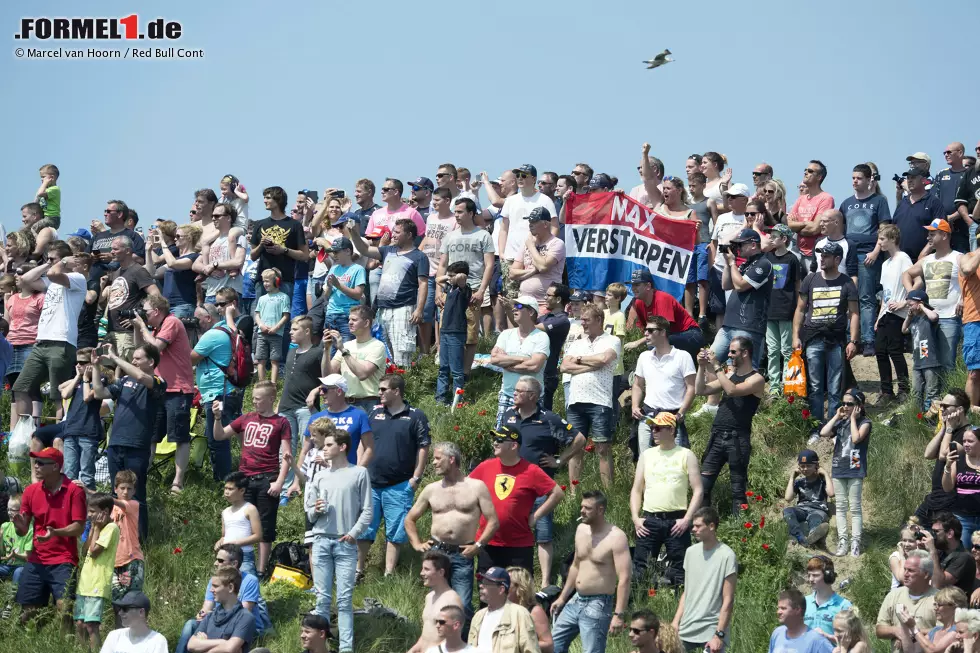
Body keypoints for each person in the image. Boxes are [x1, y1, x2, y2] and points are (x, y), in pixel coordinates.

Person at [498, 376, 584, 587]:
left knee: (543, 535)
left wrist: (560, 460)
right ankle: (511, 577)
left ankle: (545, 582)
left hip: (540, 488)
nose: (514, 393)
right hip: (510, 485)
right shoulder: (508, 415)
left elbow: (579, 439)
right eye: (515, 390)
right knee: (509, 531)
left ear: (533, 396)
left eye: (520, 391)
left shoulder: (548, 419)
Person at [405, 441, 499, 622]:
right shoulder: (431, 489)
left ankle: (462, 646)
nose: (433, 463)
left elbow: (493, 521)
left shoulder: (476, 487)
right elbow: (410, 519)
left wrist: (479, 545)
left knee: (462, 604)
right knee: (437, 601)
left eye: (438, 458)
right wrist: (417, 543)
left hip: (463, 554)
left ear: (452, 459)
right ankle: (437, 643)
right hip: (436, 552)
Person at [306, 428, 372, 653]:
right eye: (324, 445)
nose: (324, 449)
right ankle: (319, 647)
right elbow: (309, 512)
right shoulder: (320, 476)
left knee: (344, 599)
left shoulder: (359, 473)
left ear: (342, 447)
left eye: (328, 445)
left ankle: (345, 649)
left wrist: (353, 533)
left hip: (345, 542)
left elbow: (367, 510)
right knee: (321, 599)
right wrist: (315, 510)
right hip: (321, 540)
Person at [91, 344, 167, 540]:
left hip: (137, 445)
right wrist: (96, 367)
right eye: (132, 358)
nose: (133, 362)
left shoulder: (158, 381)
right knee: (115, 493)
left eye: (137, 358)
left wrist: (115, 358)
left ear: (151, 362)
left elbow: (142, 377)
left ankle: (139, 541)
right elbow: (100, 393)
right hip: (116, 443)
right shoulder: (124, 380)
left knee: (137, 494)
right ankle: (115, 537)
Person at [216, 381, 291, 576]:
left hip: (268, 478)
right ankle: (237, 563)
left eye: (258, 399)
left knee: (266, 526)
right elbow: (220, 435)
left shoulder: (281, 422)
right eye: (253, 398)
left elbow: (286, 455)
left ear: (270, 399)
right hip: (245, 478)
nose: (254, 402)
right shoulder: (246, 418)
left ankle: (261, 569)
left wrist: (280, 482)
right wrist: (217, 418)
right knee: (243, 520)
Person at [11, 240, 87, 429]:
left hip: (61, 342)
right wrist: (47, 263)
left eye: (53, 258)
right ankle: (26, 432)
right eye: (48, 258)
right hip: (41, 342)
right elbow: (27, 280)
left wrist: (59, 264)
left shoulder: (77, 278)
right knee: (20, 387)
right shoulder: (50, 280)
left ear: (64, 260)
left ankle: (59, 435)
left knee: (57, 394)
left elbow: (54, 274)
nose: (49, 262)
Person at [469, 425, 563, 576]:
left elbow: (557, 493)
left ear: (513, 445)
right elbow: (466, 488)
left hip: (519, 545)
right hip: (487, 542)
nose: (495, 443)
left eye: (499, 439)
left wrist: (536, 516)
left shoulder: (531, 470)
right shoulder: (485, 466)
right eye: (494, 439)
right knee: (487, 594)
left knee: (520, 595)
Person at [361, 373, 430, 576]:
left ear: (397, 391)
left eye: (383, 389)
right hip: (371, 483)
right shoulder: (374, 413)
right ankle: (358, 570)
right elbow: (363, 443)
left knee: (396, 533)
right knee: (364, 530)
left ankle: (388, 574)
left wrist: (416, 478)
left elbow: (423, 447)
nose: (379, 393)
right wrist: (358, 469)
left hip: (399, 484)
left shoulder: (416, 415)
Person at [549, 491, 631, 653]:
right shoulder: (581, 530)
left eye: (587, 508)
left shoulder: (616, 537)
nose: (582, 511)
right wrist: (562, 597)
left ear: (600, 510)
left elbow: (625, 578)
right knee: (553, 646)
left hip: (598, 604)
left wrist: (619, 614)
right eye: (582, 506)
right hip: (575, 600)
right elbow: (576, 565)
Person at [13, 447, 86, 622]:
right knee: (28, 612)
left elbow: (79, 527)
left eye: (40, 463)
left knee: (65, 609)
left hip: (64, 558)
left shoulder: (74, 491)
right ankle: (33, 643)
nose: (36, 466)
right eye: (35, 462)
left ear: (55, 466)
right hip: (36, 558)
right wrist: (19, 526)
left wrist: (55, 533)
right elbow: (22, 530)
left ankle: (64, 646)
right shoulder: (31, 491)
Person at [694, 337, 766, 516]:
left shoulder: (757, 379)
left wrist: (716, 366)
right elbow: (700, 391)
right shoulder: (728, 376)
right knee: (702, 487)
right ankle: (703, 528)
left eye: (733, 351)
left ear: (745, 353)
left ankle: (740, 532)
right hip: (717, 436)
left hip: (737, 439)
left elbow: (732, 390)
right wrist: (702, 366)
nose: (729, 354)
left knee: (738, 491)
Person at [630, 412, 703, 586]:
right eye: (652, 428)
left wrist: (687, 519)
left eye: (657, 428)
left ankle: (681, 608)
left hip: (677, 520)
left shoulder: (686, 455)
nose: (653, 431)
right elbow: (636, 490)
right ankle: (637, 606)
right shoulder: (646, 455)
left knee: (680, 571)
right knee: (641, 569)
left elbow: (698, 490)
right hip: (650, 519)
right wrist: (635, 518)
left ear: (671, 430)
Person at [793, 241, 859, 431]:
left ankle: (833, 425)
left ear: (837, 259)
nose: (822, 258)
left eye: (827, 256)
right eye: (821, 255)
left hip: (836, 340)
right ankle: (815, 426)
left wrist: (853, 341)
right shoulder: (810, 279)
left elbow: (854, 313)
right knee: (814, 387)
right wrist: (795, 337)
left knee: (835, 386)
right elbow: (799, 309)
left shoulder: (847, 282)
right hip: (813, 338)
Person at [346, 218, 428, 367]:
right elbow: (364, 250)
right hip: (382, 309)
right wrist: (353, 233)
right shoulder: (387, 250)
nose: (393, 235)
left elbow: (423, 284)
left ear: (409, 235)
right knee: (385, 353)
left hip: (403, 309)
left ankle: (405, 386)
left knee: (402, 353)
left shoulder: (419, 256)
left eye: (397, 232)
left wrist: (419, 309)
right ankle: (389, 386)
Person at [134, 294, 195, 493]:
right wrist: (137, 327)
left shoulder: (172, 322)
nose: (144, 315)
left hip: (177, 389)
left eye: (146, 312)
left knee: (180, 437)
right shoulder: (157, 328)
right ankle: (142, 476)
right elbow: (141, 351)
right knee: (151, 436)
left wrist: (143, 327)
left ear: (157, 311)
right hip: (159, 388)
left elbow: (155, 347)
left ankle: (178, 481)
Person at [561, 305, 621, 488]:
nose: (583, 323)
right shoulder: (576, 343)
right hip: (575, 401)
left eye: (586, 319)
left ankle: (608, 492)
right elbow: (564, 367)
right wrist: (590, 364)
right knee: (575, 448)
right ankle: (573, 493)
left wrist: (578, 360)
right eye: (582, 319)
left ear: (599, 320)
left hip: (600, 401)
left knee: (603, 448)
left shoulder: (612, 340)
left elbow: (604, 360)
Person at [437, 197, 495, 374]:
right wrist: (439, 291)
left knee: (470, 336)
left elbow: (489, 265)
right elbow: (442, 265)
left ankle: (465, 373)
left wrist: (482, 291)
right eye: (455, 212)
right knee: (446, 333)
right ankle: (445, 371)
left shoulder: (483, 235)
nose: (457, 215)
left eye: (460, 211)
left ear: (471, 213)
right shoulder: (450, 237)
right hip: (450, 291)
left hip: (473, 290)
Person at [176, 543, 270, 653]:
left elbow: (245, 610)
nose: (216, 563)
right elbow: (206, 608)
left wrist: (205, 643)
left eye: (220, 560)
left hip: (242, 626)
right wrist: (202, 614)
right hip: (218, 618)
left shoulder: (250, 580)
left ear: (234, 563)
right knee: (191, 625)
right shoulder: (214, 581)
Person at [250, 185, 310, 357]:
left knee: (282, 321)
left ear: (278, 200)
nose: (265, 201)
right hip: (262, 280)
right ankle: (260, 362)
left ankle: (281, 362)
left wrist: (283, 250)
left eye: (268, 197)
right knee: (259, 320)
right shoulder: (260, 224)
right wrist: (262, 244)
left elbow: (304, 255)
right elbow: (253, 256)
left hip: (286, 280)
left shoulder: (294, 225)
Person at [839, 164, 893, 354]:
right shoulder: (845, 203)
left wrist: (877, 251)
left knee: (866, 298)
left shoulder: (879, 201)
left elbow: (884, 228)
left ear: (870, 179)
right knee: (847, 297)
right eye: (853, 178)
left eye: (859, 178)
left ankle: (868, 340)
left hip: (868, 254)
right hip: (848, 255)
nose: (855, 181)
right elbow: (841, 230)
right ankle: (849, 338)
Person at [903, 218, 963, 384]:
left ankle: (949, 402)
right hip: (925, 320)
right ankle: (929, 403)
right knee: (926, 362)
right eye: (928, 233)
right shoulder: (926, 260)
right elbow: (906, 274)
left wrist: (963, 299)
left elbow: (970, 281)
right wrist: (912, 295)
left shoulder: (958, 258)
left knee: (947, 363)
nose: (928, 237)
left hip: (949, 318)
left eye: (932, 233)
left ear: (944, 235)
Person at [672, 507, 737, 653]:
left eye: (698, 526)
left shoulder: (727, 555)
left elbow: (728, 599)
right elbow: (687, 592)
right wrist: (676, 622)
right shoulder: (690, 552)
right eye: (692, 526)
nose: (693, 529)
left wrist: (719, 635)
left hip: (712, 628)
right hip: (687, 626)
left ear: (712, 526)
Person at [712, 228, 773, 371]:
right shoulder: (746, 264)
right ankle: (718, 393)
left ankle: (740, 393)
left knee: (744, 370)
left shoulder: (764, 264)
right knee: (711, 361)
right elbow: (726, 285)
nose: (737, 248)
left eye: (740, 245)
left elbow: (740, 285)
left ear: (753, 245)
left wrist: (733, 264)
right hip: (728, 325)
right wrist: (728, 263)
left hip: (748, 327)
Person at [632, 316, 696, 452]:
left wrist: (681, 413)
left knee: (675, 464)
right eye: (645, 330)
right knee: (646, 463)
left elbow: (691, 387)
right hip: (648, 416)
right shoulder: (644, 356)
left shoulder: (682, 356)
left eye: (650, 330)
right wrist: (634, 406)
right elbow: (637, 385)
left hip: (672, 417)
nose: (645, 334)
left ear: (663, 332)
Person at [819, 389, 871, 557]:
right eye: (844, 403)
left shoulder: (865, 422)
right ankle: (843, 541)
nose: (846, 406)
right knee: (840, 507)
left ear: (859, 406)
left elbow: (856, 439)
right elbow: (824, 432)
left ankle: (855, 541)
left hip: (855, 467)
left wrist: (854, 419)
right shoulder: (841, 422)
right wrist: (836, 417)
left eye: (850, 404)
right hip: (838, 467)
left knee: (854, 507)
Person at [277, 315, 324, 499]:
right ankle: (285, 489)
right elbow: (288, 380)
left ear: (306, 331)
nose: (290, 332)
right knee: (286, 450)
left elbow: (328, 379)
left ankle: (305, 484)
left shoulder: (318, 352)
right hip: (286, 406)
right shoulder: (290, 352)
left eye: (294, 329)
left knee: (309, 448)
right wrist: (279, 403)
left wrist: (316, 390)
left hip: (306, 408)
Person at [498, 164, 558, 303]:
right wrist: (502, 253)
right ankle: (516, 327)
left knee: (534, 300)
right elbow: (504, 229)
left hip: (535, 258)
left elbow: (554, 227)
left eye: (524, 175)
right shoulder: (510, 201)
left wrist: (547, 251)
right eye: (517, 175)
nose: (520, 178)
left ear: (534, 179)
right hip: (512, 257)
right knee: (511, 301)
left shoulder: (545, 200)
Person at [490, 295, 550, 427]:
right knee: (502, 438)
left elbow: (534, 366)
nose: (513, 309)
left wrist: (507, 363)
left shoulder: (541, 337)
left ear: (531, 312)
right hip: (507, 395)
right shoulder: (506, 334)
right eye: (513, 306)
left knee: (530, 438)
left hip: (532, 397)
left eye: (518, 306)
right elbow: (494, 359)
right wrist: (521, 359)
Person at [625, 268, 704, 363]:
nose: (633, 288)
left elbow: (663, 330)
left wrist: (637, 343)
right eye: (632, 285)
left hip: (691, 334)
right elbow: (646, 329)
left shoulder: (662, 299)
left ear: (648, 286)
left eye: (637, 285)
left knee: (656, 342)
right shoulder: (638, 303)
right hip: (672, 336)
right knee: (654, 342)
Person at [103, 236, 160, 366]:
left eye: (115, 249)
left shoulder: (138, 270)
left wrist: (139, 318)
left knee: (132, 371)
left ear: (128, 250)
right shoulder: (117, 272)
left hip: (127, 334)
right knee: (110, 374)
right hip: (112, 330)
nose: (111, 252)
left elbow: (155, 295)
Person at [74, 493, 120, 653]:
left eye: (93, 511)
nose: (89, 515)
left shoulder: (111, 528)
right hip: (85, 583)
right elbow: (85, 550)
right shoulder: (96, 527)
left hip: (97, 583)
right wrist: (94, 528)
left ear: (105, 512)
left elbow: (94, 551)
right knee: (80, 623)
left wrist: (97, 528)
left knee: (91, 625)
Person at [300, 373, 374, 470]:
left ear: (339, 391)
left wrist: (358, 472)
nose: (321, 393)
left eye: (325, 390)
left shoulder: (359, 415)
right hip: (320, 477)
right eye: (320, 389)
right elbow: (305, 451)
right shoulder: (315, 418)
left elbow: (369, 448)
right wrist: (296, 482)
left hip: (347, 475)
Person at [874, 224, 913, 403]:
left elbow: (914, 281)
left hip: (899, 313)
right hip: (886, 313)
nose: (879, 242)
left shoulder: (903, 258)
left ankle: (904, 390)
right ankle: (886, 391)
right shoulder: (885, 263)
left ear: (892, 239)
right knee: (880, 351)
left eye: (882, 239)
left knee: (895, 351)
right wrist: (878, 315)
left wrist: (904, 302)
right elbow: (885, 292)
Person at [325, 305, 387, 414]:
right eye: (349, 319)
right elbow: (328, 375)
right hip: (345, 403)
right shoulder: (346, 345)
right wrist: (326, 349)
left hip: (368, 403)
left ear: (366, 323)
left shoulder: (377, 346)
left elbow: (362, 374)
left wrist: (343, 350)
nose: (349, 322)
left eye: (354, 320)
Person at [58, 347, 104, 489]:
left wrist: (85, 379)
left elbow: (86, 397)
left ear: (92, 363)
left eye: (82, 362)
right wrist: (78, 377)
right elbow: (63, 392)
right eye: (76, 362)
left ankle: (89, 507)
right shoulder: (77, 381)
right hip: (71, 430)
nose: (78, 365)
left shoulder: (100, 380)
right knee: (69, 474)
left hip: (88, 432)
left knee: (86, 475)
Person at [765, 224, 802, 395]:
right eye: (770, 235)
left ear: (784, 239)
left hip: (786, 308)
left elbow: (797, 284)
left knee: (786, 350)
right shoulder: (767, 257)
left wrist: (799, 307)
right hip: (769, 309)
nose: (771, 237)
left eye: (775, 235)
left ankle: (789, 385)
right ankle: (774, 387)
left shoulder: (792, 259)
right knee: (772, 350)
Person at [184, 567, 256, 653]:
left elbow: (229, 649)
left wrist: (204, 644)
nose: (211, 590)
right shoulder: (210, 616)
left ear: (230, 587)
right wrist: (222, 642)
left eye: (215, 586)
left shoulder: (245, 617)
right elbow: (191, 645)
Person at [468, 567, 540, 653]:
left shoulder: (520, 614)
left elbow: (531, 650)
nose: (481, 586)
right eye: (481, 582)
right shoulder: (478, 616)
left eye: (487, 583)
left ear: (501, 589)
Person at [875, 550, 938, 647]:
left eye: (911, 570)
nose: (905, 574)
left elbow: (946, 631)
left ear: (926, 574)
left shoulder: (940, 599)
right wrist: (896, 631)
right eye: (905, 569)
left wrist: (912, 632)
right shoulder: (894, 595)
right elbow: (879, 630)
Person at [508, 207, 565, 312]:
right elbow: (512, 273)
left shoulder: (556, 243)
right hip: (524, 302)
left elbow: (543, 267)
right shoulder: (528, 243)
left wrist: (532, 247)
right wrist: (533, 270)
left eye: (534, 221)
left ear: (545, 224)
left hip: (545, 304)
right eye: (529, 221)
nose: (530, 224)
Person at [408, 550, 464, 653]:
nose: (421, 573)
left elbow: (453, 638)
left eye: (426, 569)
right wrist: (414, 650)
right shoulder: (429, 597)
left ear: (441, 572)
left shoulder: (452, 600)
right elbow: (427, 634)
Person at [787, 160, 836, 272]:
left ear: (819, 177)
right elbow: (789, 225)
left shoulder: (826, 198)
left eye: (810, 171)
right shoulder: (800, 199)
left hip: (815, 254)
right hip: (797, 251)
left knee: (813, 287)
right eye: (805, 170)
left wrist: (797, 227)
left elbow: (815, 229)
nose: (805, 173)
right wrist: (805, 223)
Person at [435, 261, 472, 403]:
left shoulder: (465, 289)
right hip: (445, 331)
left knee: (456, 371)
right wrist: (450, 277)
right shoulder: (450, 287)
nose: (449, 278)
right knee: (443, 368)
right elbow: (438, 279)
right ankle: (440, 400)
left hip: (457, 333)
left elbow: (462, 280)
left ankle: (457, 402)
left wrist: (458, 277)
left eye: (452, 275)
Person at [214, 472, 262, 578]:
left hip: (244, 556)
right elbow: (224, 536)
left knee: (247, 584)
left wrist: (235, 543)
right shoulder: (225, 512)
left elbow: (258, 536)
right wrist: (219, 541)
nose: (226, 492)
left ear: (242, 490)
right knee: (226, 587)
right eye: (225, 488)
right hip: (226, 557)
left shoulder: (250, 509)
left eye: (230, 489)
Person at [893, 167, 945, 263]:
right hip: (900, 259)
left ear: (923, 180)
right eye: (908, 178)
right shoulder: (902, 202)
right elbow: (894, 229)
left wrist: (924, 253)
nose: (909, 180)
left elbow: (940, 230)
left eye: (913, 177)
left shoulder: (934, 202)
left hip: (925, 259)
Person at [782, 449, 833, 547]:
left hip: (818, 510)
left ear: (816, 466)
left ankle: (813, 535)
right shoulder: (799, 482)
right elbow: (788, 498)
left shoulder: (822, 481)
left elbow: (831, 493)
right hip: (802, 509)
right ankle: (799, 537)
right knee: (788, 511)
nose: (805, 469)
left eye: (809, 466)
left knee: (815, 518)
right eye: (802, 466)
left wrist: (825, 474)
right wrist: (792, 477)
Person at [320, 237, 366, 345]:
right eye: (333, 252)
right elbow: (326, 296)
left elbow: (358, 294)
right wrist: (330, 287)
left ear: (348, 251)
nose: (334, 255)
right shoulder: (333, 268)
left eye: (336, 252)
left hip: (347, 317)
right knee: (329, 351)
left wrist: (338, 285)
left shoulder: (358, 269)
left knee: (345, 350)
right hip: (331, 315)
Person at [903, 289, 942, 414]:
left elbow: (934, 316)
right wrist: (909, 317)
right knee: (916, 392)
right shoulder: (914, 320)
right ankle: (918, 418)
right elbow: (903, 329)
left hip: (930, 361)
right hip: (918, 362)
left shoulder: (928, 316)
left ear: (920, 303)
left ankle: (931, 419)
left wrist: (923, 308)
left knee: (931, 392)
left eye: (911, 304)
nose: (909, 307)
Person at [198, 203, 247, 304]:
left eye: (217, 216)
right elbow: (195, 264)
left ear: (228, 218)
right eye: (212, 216)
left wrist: (214, 265)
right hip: (210, 294)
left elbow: (238, 262)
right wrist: (208, 269)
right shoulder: (211, 241)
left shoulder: (239, 238)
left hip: (230, 293)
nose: (213, 219)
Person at [110, 470, 145, 607]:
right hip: (114, 562)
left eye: (129, 488)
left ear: (134, 490)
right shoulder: (111, 509)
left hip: (131, 560)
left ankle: (134, 628)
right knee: (116, 602)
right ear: (115, 489)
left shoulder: (133, 505)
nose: (125, 492)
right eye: (122, 488)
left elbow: (110, 501)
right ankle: (119, 628)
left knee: (130, 601)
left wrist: (88, 491)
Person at [944, 427, 980, 551]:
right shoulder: (958, 460)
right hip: (963, 518)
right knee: (962, 556)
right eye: (964, 441)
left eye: (970, 441)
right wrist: (948, 466)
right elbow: (947, 487)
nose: (965, 444)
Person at [922, 512, 977, 594]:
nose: (933, 536)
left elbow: (937, 585)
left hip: (953, 604)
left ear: (950, 533)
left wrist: (933, 552)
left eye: (936, 532)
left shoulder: (964, 557)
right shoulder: (942, 552)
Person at [536, 283, 571, 411]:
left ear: (558, 299)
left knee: (543, 415)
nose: (545, 298)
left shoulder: (562, 320)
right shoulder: (544, 317)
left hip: (547, 375)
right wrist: (510, 309)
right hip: (536, 371)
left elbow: (529, 328)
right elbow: (523, 327)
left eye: (548, 295)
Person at [768, 588, 834, 653]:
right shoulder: (777, 633)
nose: (778, 612)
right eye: (778, 608)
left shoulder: (817, 641)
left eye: (783, 608)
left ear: (797, 609)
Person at [253, 268, 290, 384]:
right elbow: (257, 315)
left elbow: (285, 316)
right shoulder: (262, 298)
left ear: (277, 281)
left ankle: (273, 384)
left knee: (275, 360)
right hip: (262, 333)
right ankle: (262, 383)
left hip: (276, 334)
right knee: (261, 359)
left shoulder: (284, 297)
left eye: (268, 281)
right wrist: (261, 325)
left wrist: (276, 328)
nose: (265, 284)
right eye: (264, 281)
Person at [101, 591, 170, 653]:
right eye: (120, 608)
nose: (120, 613)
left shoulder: (157, 641)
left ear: (141, 612)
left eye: (125, 609)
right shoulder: (114, 636)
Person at [508, 567, 554, 653]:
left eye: (507, 583)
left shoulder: (535, 611)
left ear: (520, 587)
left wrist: (518, 645)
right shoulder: (500, 609)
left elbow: (548, 645)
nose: (502, 587)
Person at [803, 556, 852, 637]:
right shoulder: (803, 602)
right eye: (809, 575)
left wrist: (827, 636)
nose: (810, 579)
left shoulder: (844, 606)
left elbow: (851, 641)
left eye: (815, 575)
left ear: (828, 576)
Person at [0, 493, 30, 585]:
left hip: (21, 565)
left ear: (22, 511)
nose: (9, 512)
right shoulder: (5, 526)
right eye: (8, 509)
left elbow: (28, 557)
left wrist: (15, 555)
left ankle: (13, 597)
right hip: (6, 565)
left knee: (19, 573)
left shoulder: (29, 530)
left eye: (13, 510)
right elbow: (2, 552)